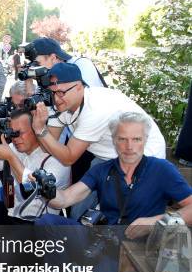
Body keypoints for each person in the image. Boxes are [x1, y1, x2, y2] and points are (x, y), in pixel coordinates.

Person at [35, 111, 192, 272]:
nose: (129, 146)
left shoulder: (162, 170)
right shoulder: (102, 169)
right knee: (46, 222)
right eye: (122, 138)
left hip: (128, 255)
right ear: (114, 140)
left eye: (136, 139)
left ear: (145, 140)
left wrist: (157, 220)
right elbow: (66, 199)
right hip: (99, 240)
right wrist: (47, 190)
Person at [31, 63, 166, 220]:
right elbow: (47, 146)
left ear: (79, 87)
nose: (56, 98)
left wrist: (40, 129)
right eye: (52, 93)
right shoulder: (63, 103)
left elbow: (68, 158)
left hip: (143, 157)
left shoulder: (95, 108)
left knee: (115, 219)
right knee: (78, 214)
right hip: (108, 157)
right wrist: (41, 127)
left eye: (61, 92)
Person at [0, 109, 70, 227]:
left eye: (20, 132)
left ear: (36, 130)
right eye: (12, 133)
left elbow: (34, 191)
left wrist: (11, 157)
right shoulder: (14, 148)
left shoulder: (57, 158)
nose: (15, 138)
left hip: (36, 222)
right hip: (11, 213)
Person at [29, 37, 106, 88]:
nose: (34, 67)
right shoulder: (50, 73)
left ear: (53, 58)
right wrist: (28, 79)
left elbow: (88, 100)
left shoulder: (81, 65)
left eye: (37, 63)